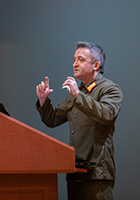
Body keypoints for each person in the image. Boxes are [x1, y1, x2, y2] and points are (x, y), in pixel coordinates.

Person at [35, 41, 123, 200]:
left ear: (95, 65)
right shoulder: (77, 92)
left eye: (80, 60)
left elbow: (107, 115)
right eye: (74, 59)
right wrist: (43, 101)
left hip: (97, 173)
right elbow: (53, 120)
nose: (74, 64)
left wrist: (78, 95)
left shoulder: (110, 89)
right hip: (76, 170)